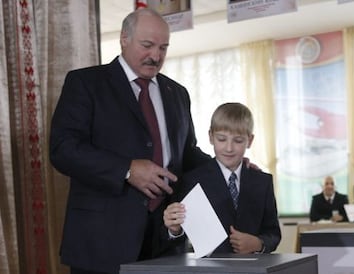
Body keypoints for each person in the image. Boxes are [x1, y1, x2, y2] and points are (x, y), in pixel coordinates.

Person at [49, 8, 211, 274]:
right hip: (101, 244)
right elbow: (63, 148)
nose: (156, 56)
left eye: (163, 48)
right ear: (124, 38)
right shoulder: (86, 83)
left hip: (166, 242)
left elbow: (187, 153)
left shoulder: (177, 93)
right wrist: (126, 169)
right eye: (147, 45)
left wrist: (227, 166)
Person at [163, 102, 281, 254]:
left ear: (249, 140)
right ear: (211, 137)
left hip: (254, 268)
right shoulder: (192, 180)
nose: (229, 148)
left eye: (238, 141)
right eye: (221, 139)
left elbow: (273, 233)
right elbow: (179, 238)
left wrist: (258, 243)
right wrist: (174, 229)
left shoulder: (262, 182)